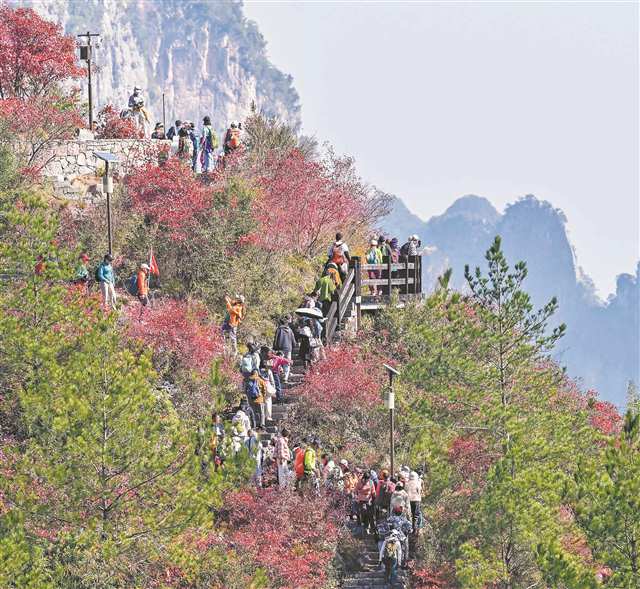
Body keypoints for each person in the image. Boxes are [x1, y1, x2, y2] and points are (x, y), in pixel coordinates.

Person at [273, 317, 296, 382]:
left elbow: (276, 338)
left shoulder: (279, 329)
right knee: (287, 363)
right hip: (288, 348)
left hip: (280, 348)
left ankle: (280, 376)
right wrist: (293, 346)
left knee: (279, 362)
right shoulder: (290, 330)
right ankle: (285, 378)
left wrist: (275, 347)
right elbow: (293, 340)